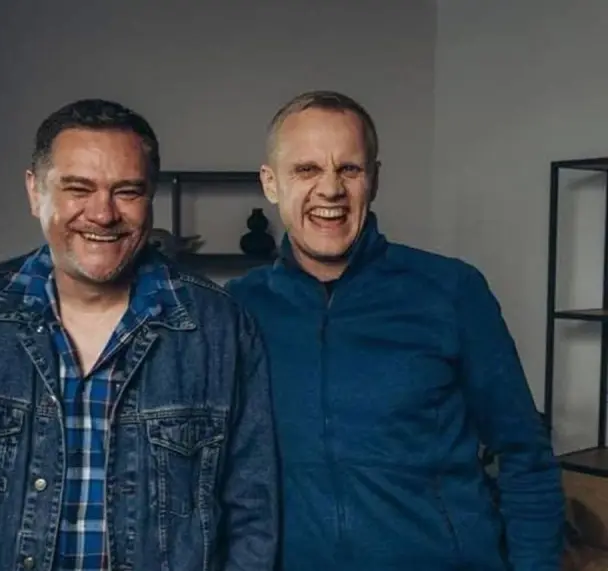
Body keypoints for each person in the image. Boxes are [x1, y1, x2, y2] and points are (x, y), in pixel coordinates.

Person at [0, 98, 278, 571]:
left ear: (149, 198)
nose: (103, 214)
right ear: (35, 191)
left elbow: (252, 513)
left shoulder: (220, 327)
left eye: (126, 191)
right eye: (78, 189)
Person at [226, 90, 564, 571]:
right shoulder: (239, 308)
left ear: (375, 179)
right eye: (306, 169)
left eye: (349, 169)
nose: (330, 189)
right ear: (270, 183)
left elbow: (525, 454)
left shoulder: (451, 291)